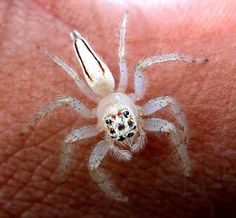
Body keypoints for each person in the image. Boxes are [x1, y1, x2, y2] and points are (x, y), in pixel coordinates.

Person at [0, 1, 235, 217]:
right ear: (103, 127)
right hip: (100, 85)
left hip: (107, 86)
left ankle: (186, 165)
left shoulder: (131, 97)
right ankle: (62, 48)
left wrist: (185, 138)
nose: (125, 131)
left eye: (123, 123)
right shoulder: (92, 111)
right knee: (74, 117)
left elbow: (169, 102)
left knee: (142, 70)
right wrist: (63, 168)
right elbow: (70, 140)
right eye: (118, 125)